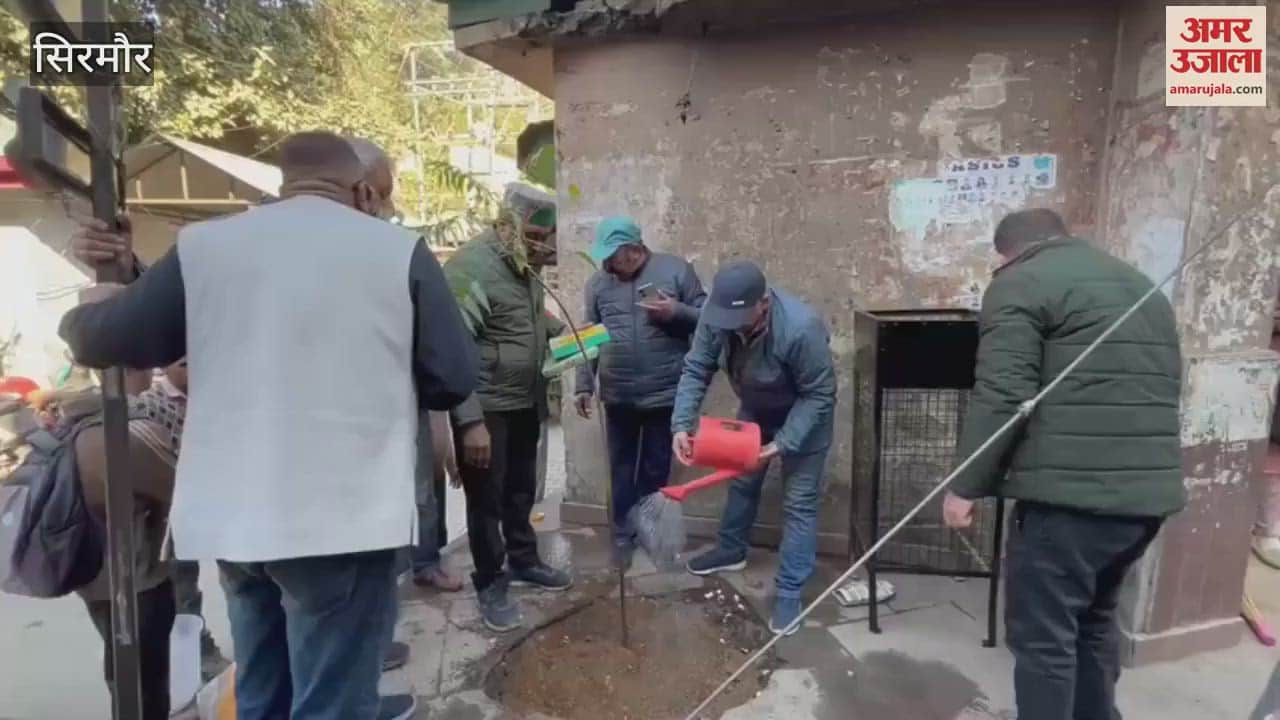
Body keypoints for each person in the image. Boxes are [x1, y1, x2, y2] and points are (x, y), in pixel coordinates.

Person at [59, 130, 477, 720]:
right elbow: (453, 377)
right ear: (360, 191)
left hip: (235, 523)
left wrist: (103, 289)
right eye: (378, 196)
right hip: (341, 524)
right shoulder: (396, 251)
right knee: (331, 702)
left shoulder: (206, 247)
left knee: (262, 694)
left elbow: (105, 337)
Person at [942, 208, 1185, 720]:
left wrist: (965, 485)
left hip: (1070, 503)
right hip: (1144, 501)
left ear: (1006, 253)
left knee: (1044, 641)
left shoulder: (1018, 283)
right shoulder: (1138, 283)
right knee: (1093, 624)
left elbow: (1005, 391)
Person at [671, 260, 836, 636]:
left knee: (799, 502)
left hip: (805, 415)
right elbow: (697, 368)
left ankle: (790, 591)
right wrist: (681, 424)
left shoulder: (800, 328)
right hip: (756, 410)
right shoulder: (718, 316)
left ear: (763, 303)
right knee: (742, 482)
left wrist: (782, 444)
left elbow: (820, 393)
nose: (728, 328)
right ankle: (731, 549)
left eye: (739, 319)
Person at [444, 181, 572, 633]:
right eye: (540, 240)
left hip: (523, 401)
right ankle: (491, 582)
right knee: (487, 501)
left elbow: (529, 316)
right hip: (487, 409)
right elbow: (451, 350)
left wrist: (570, 334)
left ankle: (523, 560)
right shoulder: (471, 269)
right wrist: (469, 421)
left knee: (522, 490)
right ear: (511, 227)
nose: (546, 251)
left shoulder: (523, 264)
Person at [573, 216, 706, 563]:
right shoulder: (598, 283)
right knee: (619, 469)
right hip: (618, 396)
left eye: (612, 256)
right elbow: (588, 336)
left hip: (664, 395)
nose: (607, 264)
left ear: (633, 251)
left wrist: (675, 311)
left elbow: (708, 319)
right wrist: (583, 385)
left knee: (655, 468)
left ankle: (650, 530)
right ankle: (621, 534)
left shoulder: (676, 271)